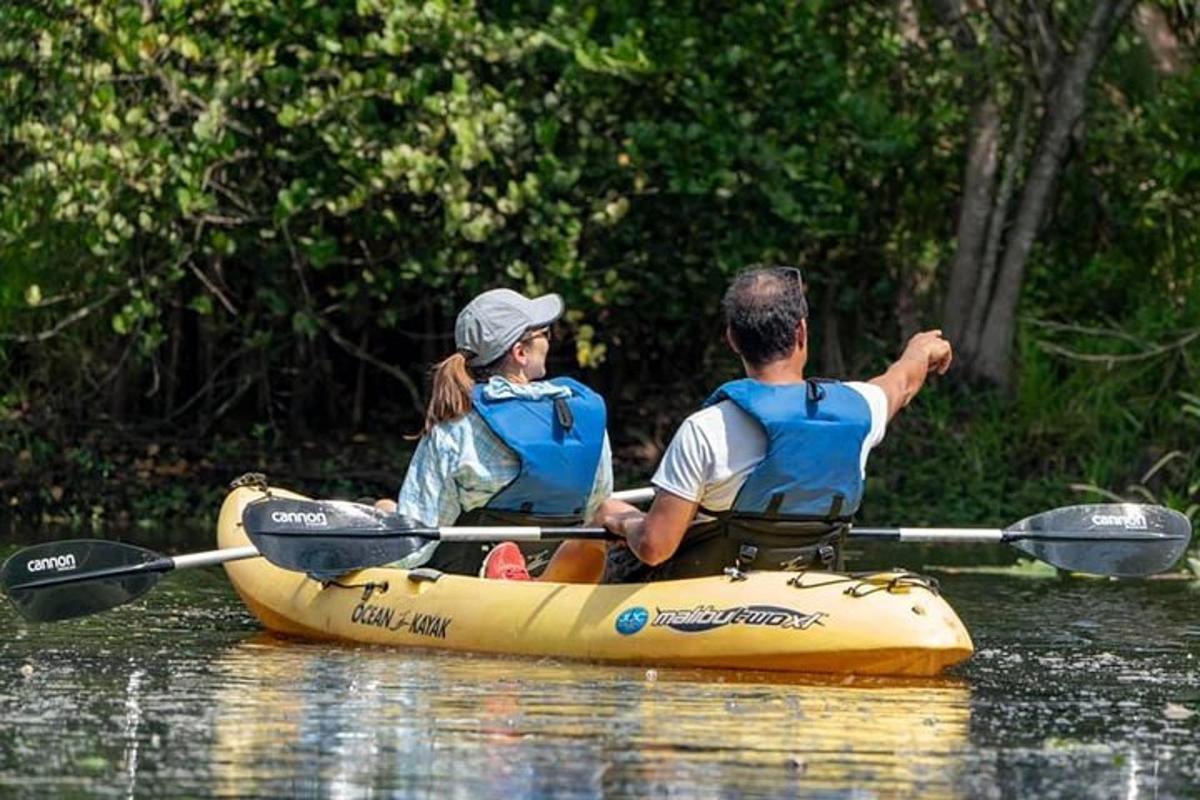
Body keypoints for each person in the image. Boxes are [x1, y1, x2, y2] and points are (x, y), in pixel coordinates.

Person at [602, 266, 953, 581]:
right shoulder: (860, 408)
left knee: (606, 507)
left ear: (732, 339)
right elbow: (901, 383)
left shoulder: (707, 428)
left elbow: (655, 548)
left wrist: (621, 521)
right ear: (801, 332)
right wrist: (920, 350)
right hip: (808, 583)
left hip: (711, 588)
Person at [378, 288, 613, 582]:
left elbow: (413, 551)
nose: (550, 341)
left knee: (382, 508)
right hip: (556, 580)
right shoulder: (584, 419)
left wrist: (377, 523)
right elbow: (597, 511)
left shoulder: (457, 430)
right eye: (546, 334)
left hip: (466, 589)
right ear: (520, 353)